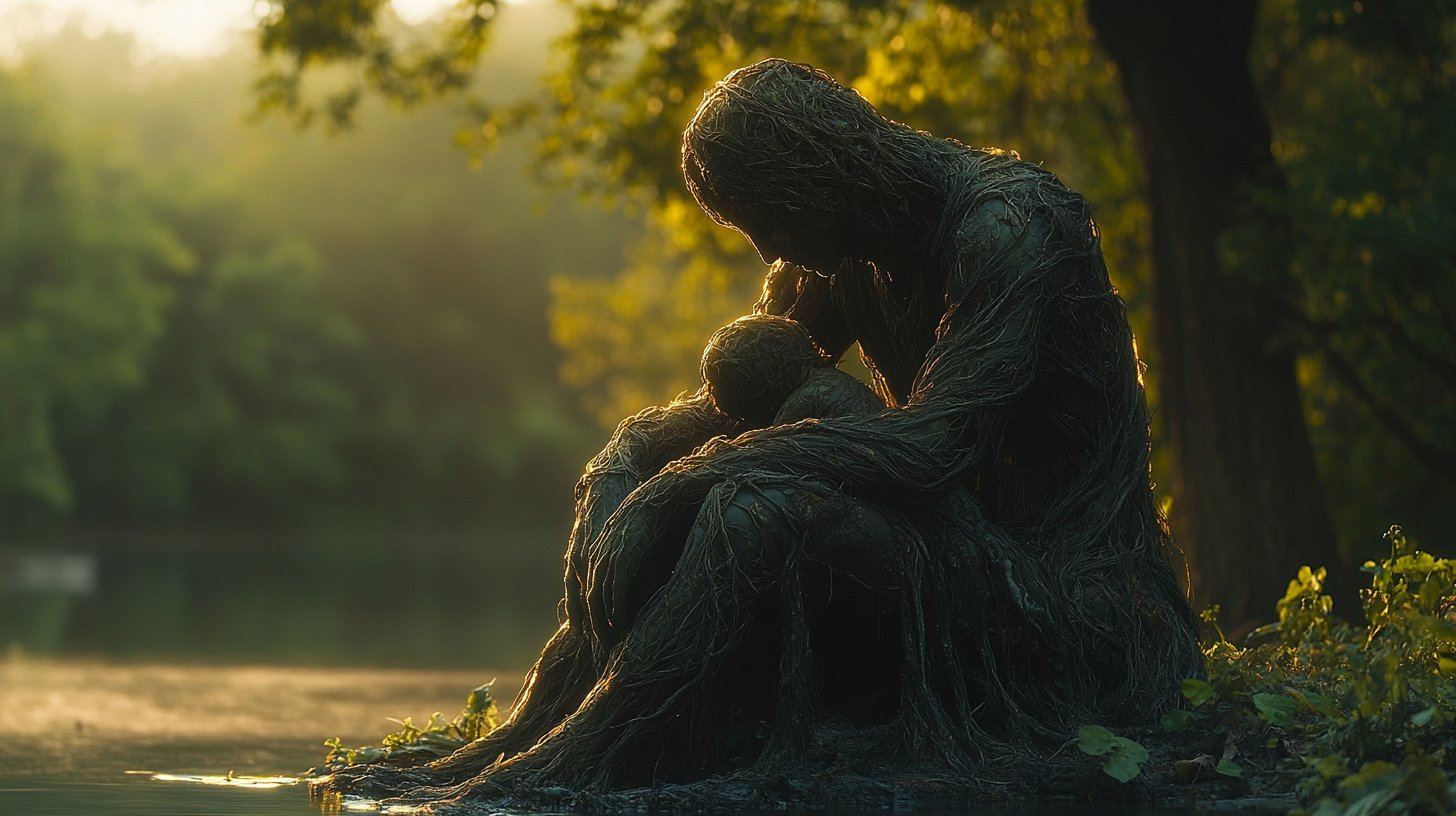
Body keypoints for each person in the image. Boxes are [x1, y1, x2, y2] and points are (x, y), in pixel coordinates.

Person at [328, 58, 1200, 799]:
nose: (768, 251)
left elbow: (935, 446)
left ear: (820, 175)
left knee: (753, 511)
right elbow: (745, 390)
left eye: (769, 223)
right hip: (961, 544)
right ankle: (540, 731)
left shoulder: (1007, 230)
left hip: (1064, 595)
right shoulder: (844, 246)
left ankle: (568, 765)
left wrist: (700, 473)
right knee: (705, 486)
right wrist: (630, 456)